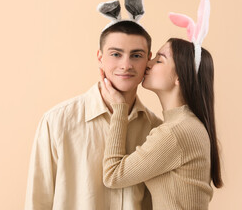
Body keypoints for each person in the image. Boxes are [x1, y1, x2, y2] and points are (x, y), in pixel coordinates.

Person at [100, 0, 223, 210]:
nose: (148, 63)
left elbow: (113, 175)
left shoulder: (176, 132)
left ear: (180, 78)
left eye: (160, 59)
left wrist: (119, 108)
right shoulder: (184, 126)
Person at [25, 20, 162, 210]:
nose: (126, 65)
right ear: (100, 58)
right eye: (116, 54)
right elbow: (38, 202)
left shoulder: (156, 129)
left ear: (148, 59)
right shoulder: (57, 122)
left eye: (136, 55)